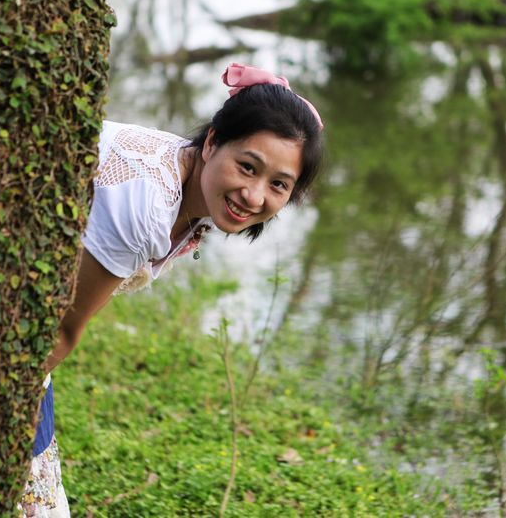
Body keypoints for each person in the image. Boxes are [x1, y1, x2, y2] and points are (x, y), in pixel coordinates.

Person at [18, 63, 325, 517]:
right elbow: (60, 329)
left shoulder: (189, 187)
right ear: (213, 140)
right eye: (247, 166)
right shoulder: (147, 201)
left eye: (278, 184)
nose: (254, 196)